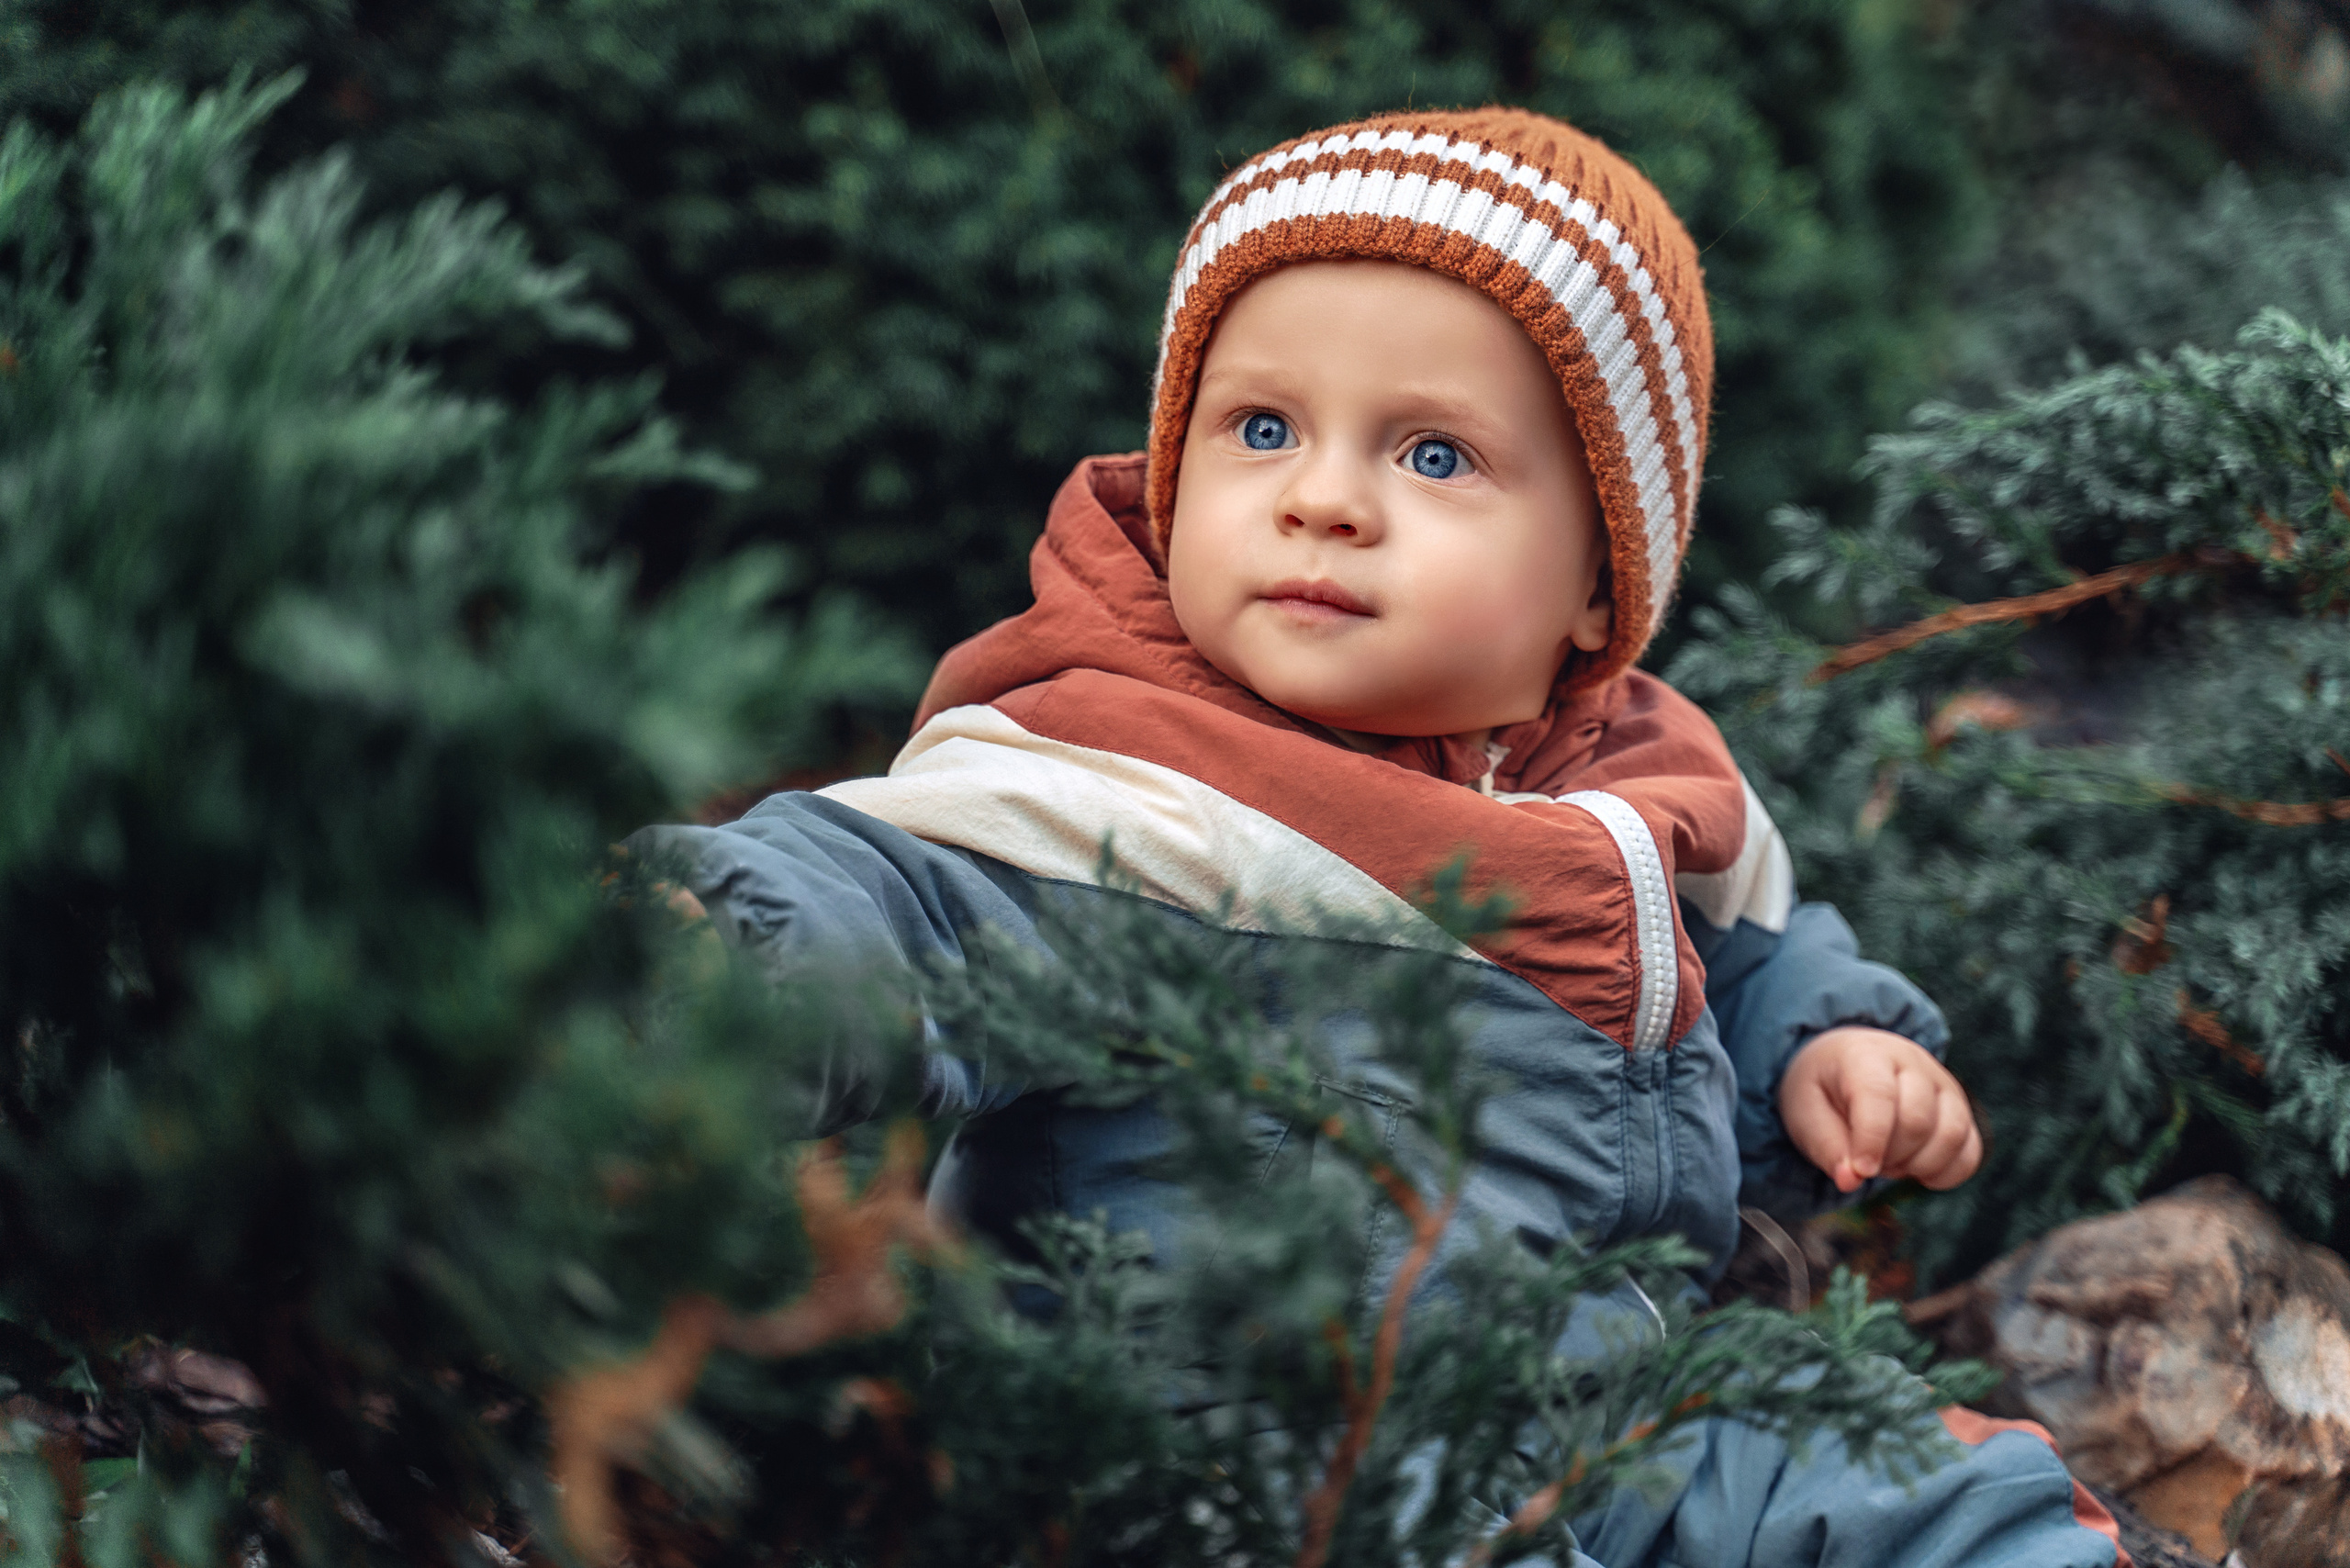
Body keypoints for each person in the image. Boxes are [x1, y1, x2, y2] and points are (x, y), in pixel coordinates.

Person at [639, 107, 2127, 1566]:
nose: (1323, 501)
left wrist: (1826, 1038)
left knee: (1908, 1475)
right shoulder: (1133, 779)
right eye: (1262, 429)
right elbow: (906, 898)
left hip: (1600, 1405)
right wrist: (718, 950)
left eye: (1432, 455)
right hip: (1248, 1456)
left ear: (1598, 587)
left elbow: (1739, 948)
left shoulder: (1632, 783)